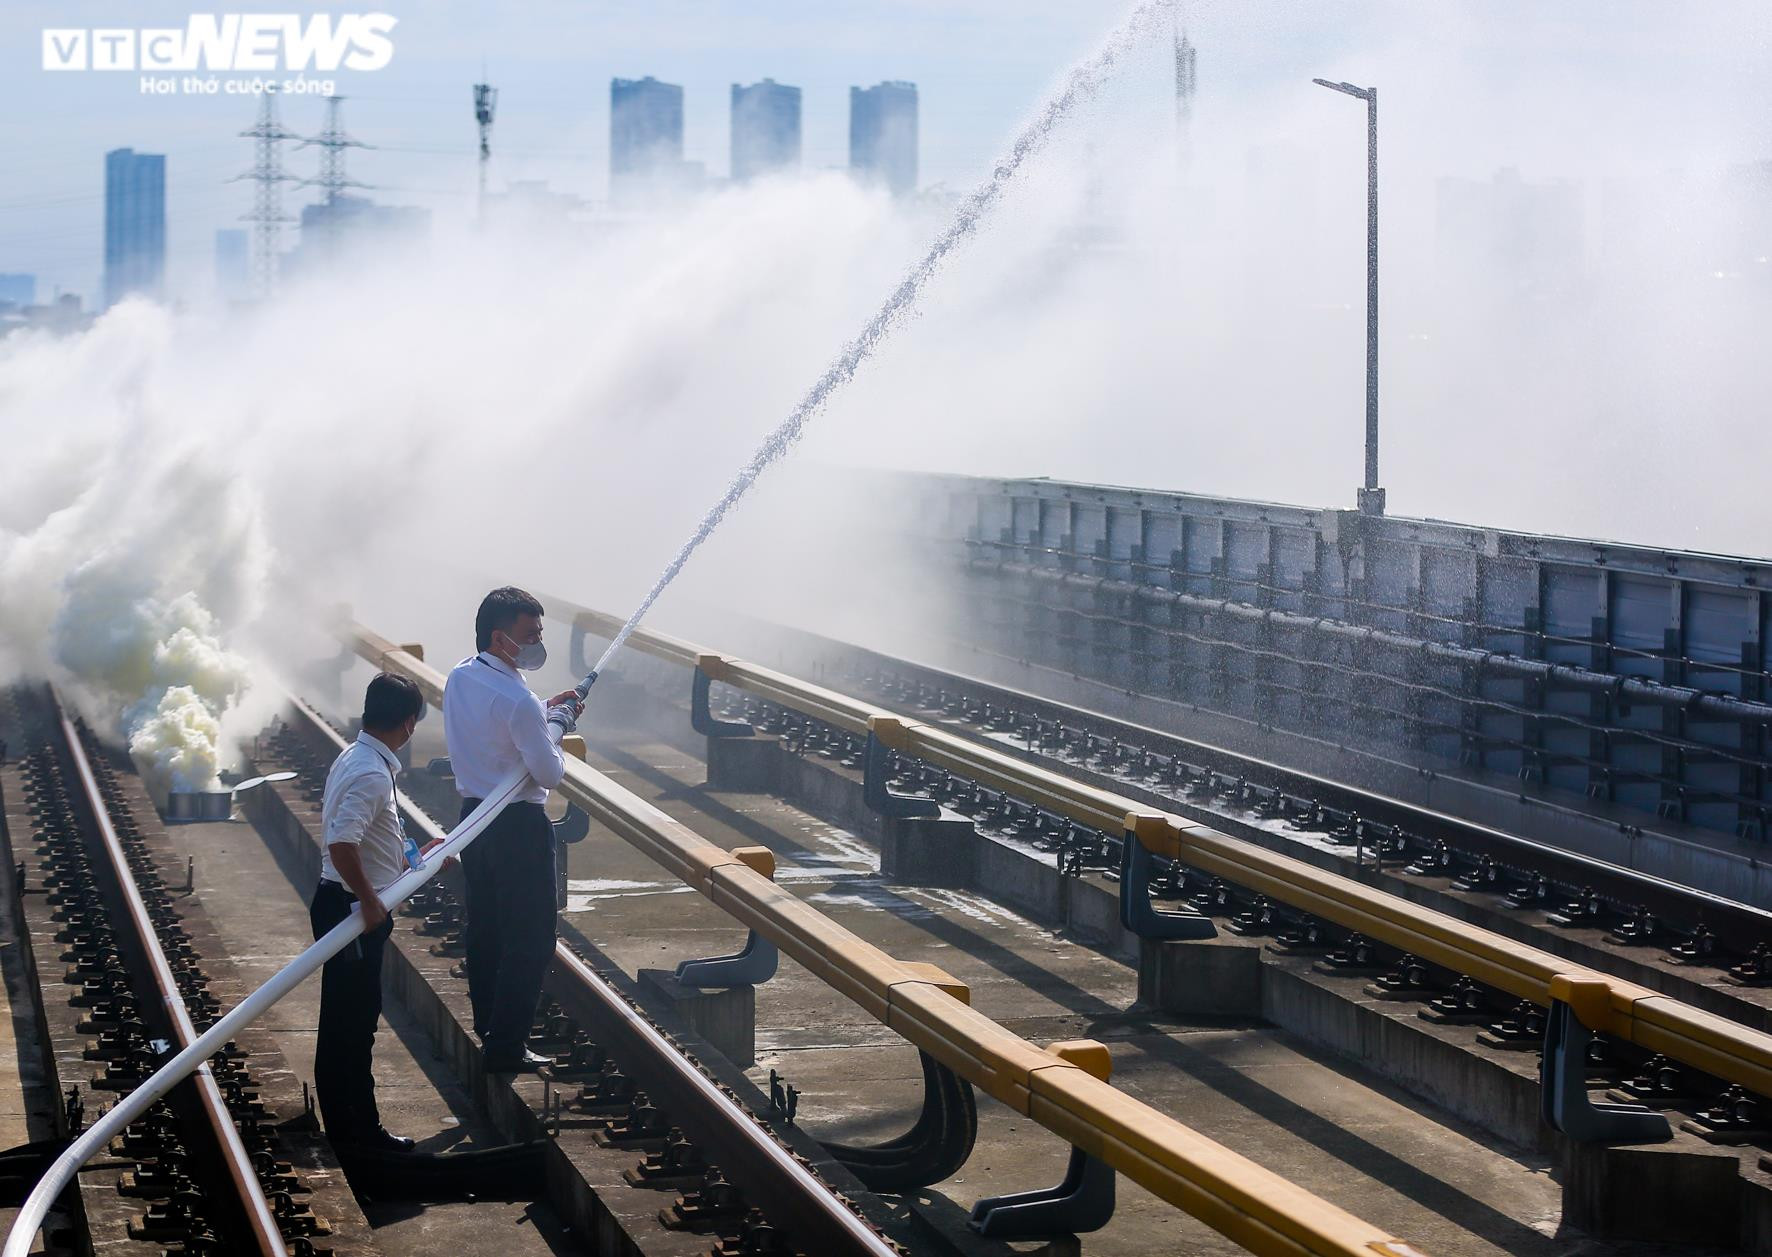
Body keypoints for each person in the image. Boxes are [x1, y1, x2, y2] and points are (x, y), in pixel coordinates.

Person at [442, 587, 581, 1073]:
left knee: (486, 929)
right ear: (501, 638)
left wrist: (545, 709)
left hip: (473, 820)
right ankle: (507, 1046)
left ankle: (489, 1028)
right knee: (532, 939)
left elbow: (496, 720)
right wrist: (555, 723)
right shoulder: (520, 701)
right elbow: (548, 773)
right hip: (518, 827)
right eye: (530, 635)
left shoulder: (462, 675)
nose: (538, 642)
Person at [311, 672, 428, 1149]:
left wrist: (422, 855)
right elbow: (343, 843)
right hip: (350, 910)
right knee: (353, 1026)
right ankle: (360, 1133)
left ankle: (348, 1124)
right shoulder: (373, 773)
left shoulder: (356, 756)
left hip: (342, 902)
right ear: (407, 724)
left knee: (347, 1019)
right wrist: (371, 900)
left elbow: (380, 837)